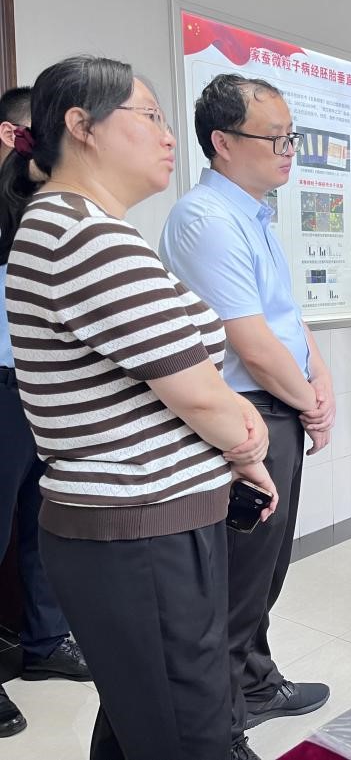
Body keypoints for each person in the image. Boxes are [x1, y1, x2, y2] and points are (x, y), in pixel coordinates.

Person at [0, 55, 277, 760]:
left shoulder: (69, 225)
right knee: (188, 732)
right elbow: (195, 390)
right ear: (81, 125)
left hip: (136, 524)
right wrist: (247, 445)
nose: (167, 135)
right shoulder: (86, 236)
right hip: (140, 529)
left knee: (139, 722)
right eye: (149, 116)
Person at [160, 73, 334, 748]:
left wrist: (320, 380)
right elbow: (251, 344)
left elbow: (286, 320)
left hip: (280, 404)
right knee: (236, 583)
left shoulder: (254, 214)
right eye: (276, 138)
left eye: (292, 137)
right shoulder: (206, 219)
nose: (290, 150)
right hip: (249, 415)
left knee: (264, 571)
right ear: (223, 141)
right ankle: (223, 727)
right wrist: (311, 405)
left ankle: (256, 681)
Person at [0, 85, 91, 739]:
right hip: (1, 383)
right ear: (14, 137)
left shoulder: (48, 205)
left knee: (41, 516)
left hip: (45, 388)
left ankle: (45, 640)